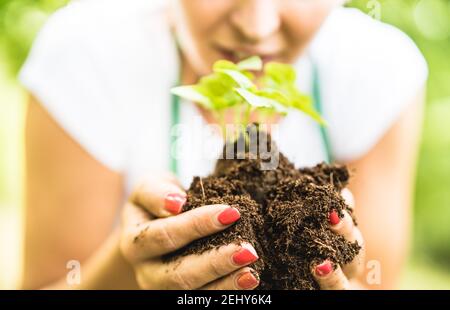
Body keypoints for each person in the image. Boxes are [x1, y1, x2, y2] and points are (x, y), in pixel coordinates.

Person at [19, 0, 427, 289]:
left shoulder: (379, 70)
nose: (256, 25)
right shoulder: (87, 52)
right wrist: (131, 265)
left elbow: (375, 280)